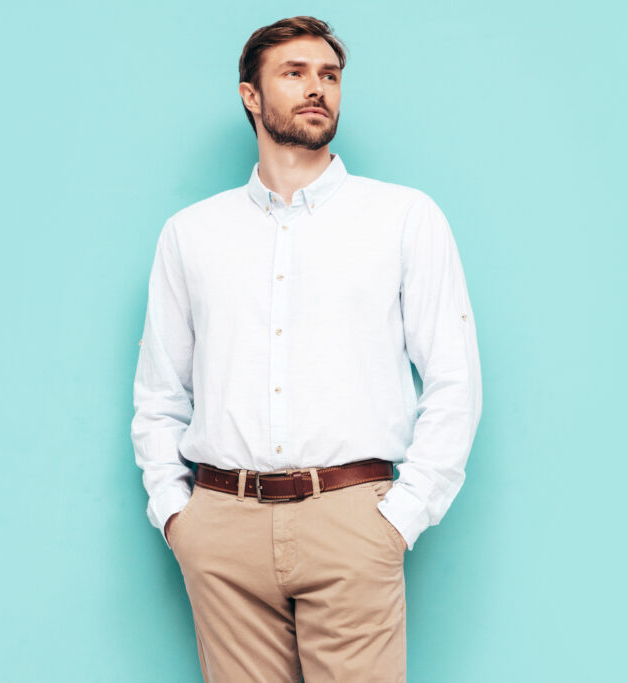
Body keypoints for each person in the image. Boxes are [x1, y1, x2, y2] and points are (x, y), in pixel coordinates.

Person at [131, 15, 482, 682]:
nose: (317, 88)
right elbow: (160, 391)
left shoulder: (404, 218)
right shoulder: (191, 234)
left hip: (352, 518)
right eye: (294, 74)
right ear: (251, 96)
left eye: (329, 75)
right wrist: (177, 515)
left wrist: (401, 518)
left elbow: (454, 379)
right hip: (222, 526)